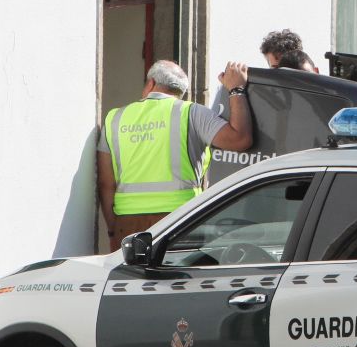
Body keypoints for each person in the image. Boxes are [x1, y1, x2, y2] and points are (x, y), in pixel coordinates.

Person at [97, 59, 254, 251]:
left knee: (130, 280)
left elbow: (106, 183)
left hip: (128, 225)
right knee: (176, 281)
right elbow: (240, 139)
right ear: (181, 91)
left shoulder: (115, 118)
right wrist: (236, 90)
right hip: (180, 221)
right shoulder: (191, 113)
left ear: (151, 84)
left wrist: (114, 230)